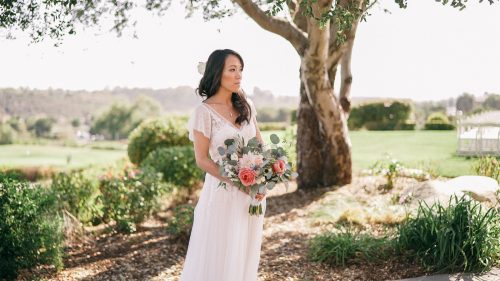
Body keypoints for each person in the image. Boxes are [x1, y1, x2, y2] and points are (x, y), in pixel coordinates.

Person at [179, 49, 267, 281]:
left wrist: (263, 176)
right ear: (218, 73)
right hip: (222, 193)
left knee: (244, 254)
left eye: (240, 70)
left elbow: (258, 143)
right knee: (220, 254)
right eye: (232, 70)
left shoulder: (245, 105)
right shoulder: (203, 113)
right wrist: (238, 183)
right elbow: (202, 159)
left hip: (252, 194)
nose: (239, 75)